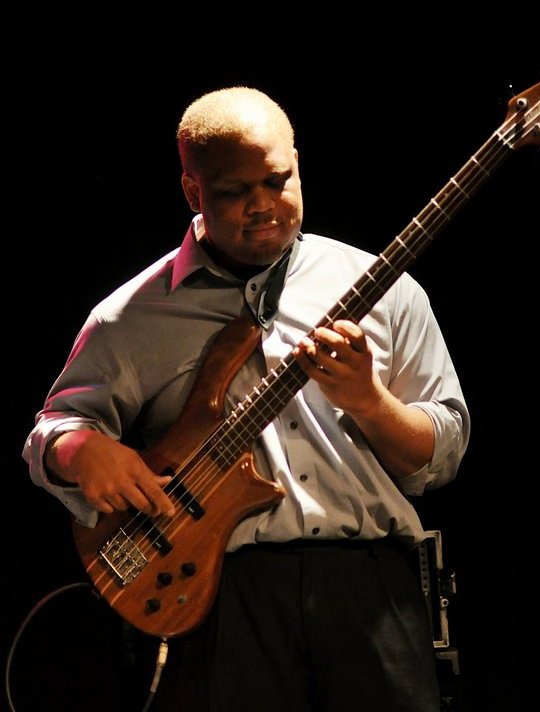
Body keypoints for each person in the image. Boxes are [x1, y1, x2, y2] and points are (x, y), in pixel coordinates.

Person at [23, 86, 470, 712]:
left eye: (277, 180)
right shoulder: (131, 316)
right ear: (193, 191)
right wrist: (79, 450)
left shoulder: (386, 288)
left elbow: (442, 454)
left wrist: (369, 400)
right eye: (236, 191)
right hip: (222, 597)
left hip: (368, 586)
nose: (263, 205)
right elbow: (53, 428)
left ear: (297, 164)